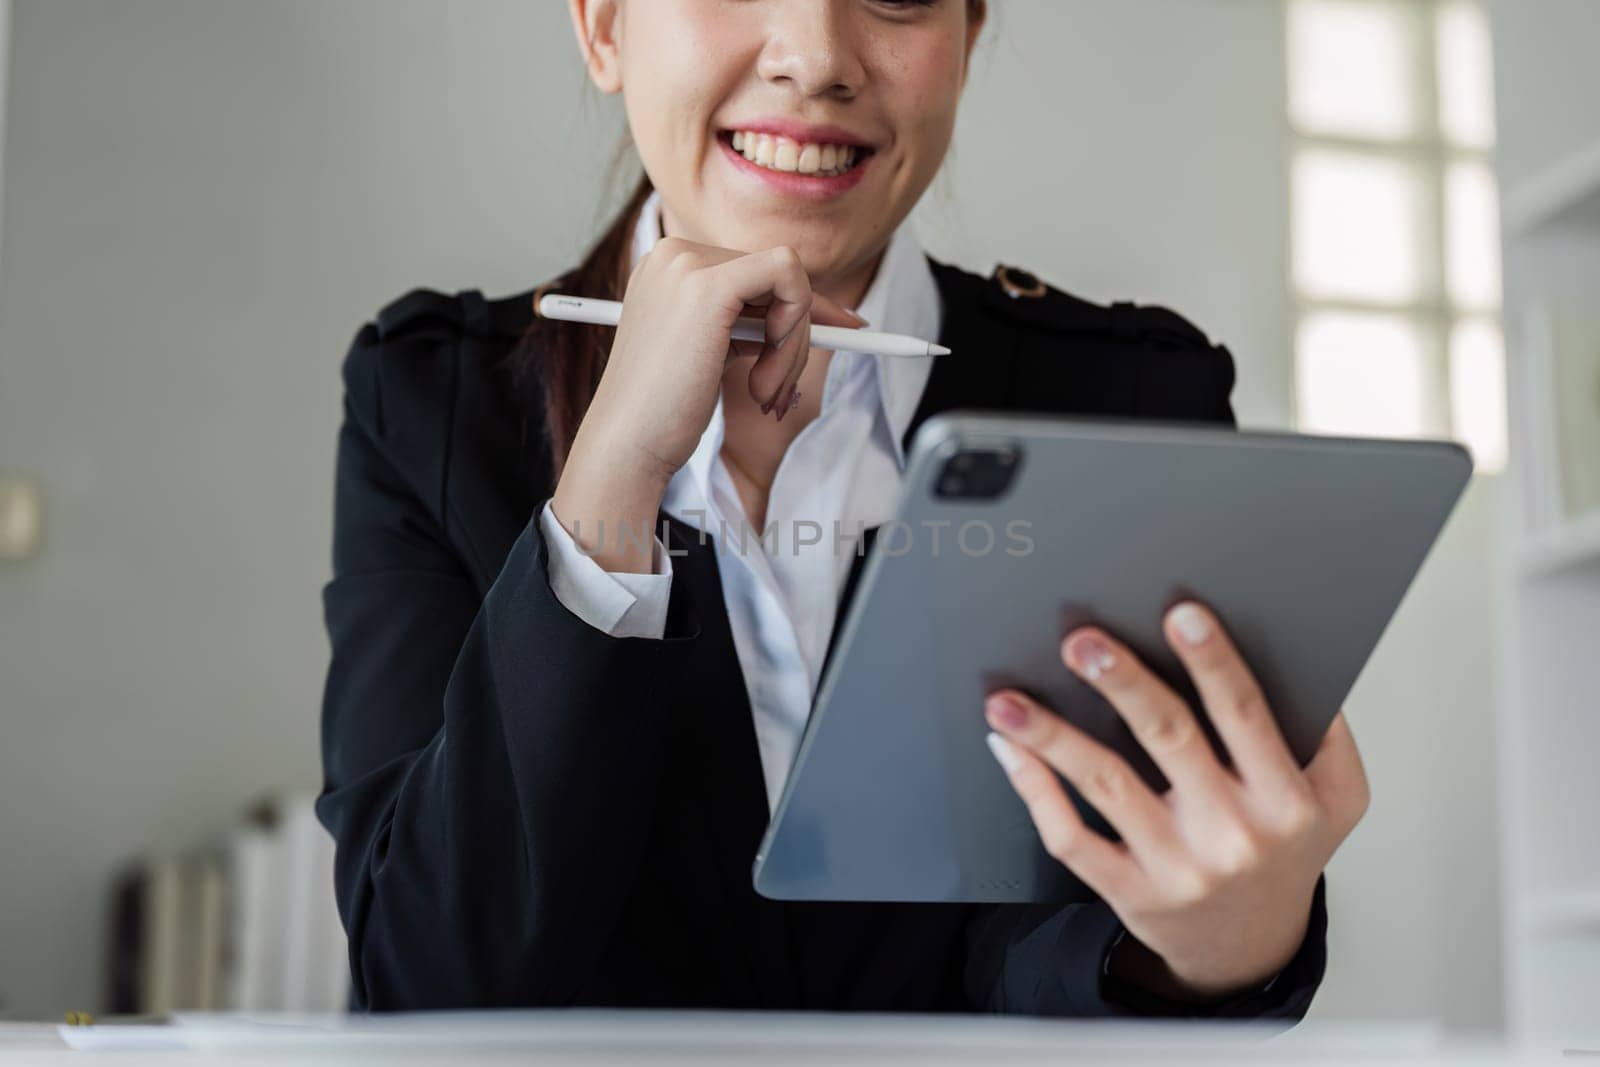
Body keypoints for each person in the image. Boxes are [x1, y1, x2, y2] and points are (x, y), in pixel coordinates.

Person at [316, 0, 1370, 1017]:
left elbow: (1053, 938)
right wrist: (613, 478)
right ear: (602, 26)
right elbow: (425, 976)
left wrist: (1207, 948)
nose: (816, 56)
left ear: (968, 36)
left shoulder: (1137, 400)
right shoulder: (430, 406)